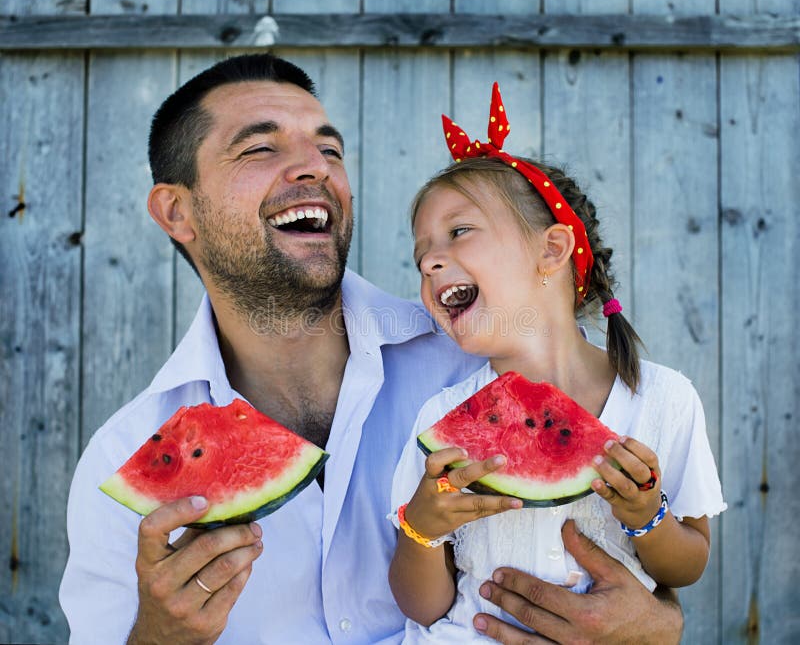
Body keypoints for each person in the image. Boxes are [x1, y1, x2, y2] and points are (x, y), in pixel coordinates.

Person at [59, 55, 685, 644]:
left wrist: (661, 625)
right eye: (261, 147)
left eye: (328, 148)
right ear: (176, 211)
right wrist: (158, 636)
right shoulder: (120, 460)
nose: (316, 168)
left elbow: (632, 552)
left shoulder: (480, 364)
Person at [388, 84, 726, 642]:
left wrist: (647, 515)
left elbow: (686, 565)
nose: (430, 260)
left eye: (459, 231)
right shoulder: (443, 417)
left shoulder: (664, 400)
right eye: (420, 252)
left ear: (552, 250)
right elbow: (422, 605)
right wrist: (419, 530)